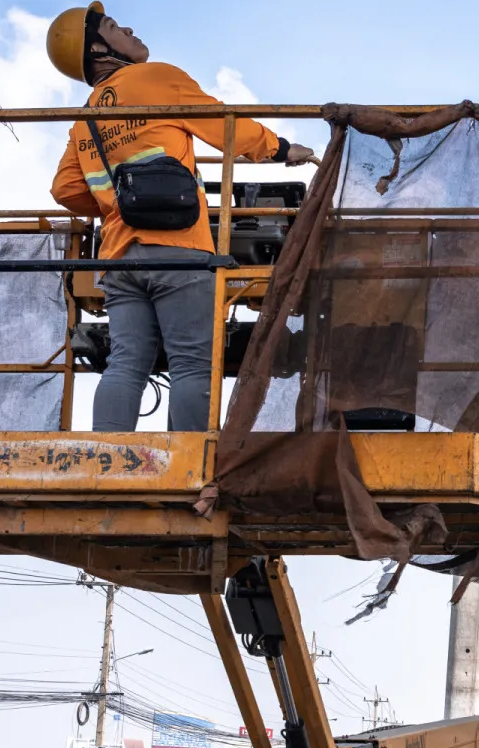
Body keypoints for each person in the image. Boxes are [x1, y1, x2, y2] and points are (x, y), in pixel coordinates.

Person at [46, 4, 319, 433]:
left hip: (120, 257)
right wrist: (282, 149)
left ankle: (107, 456)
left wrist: (116, 206)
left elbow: (65, 189)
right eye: (114, 27)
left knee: (126, 363)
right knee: (192, 362)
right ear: (97, 49)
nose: (129, 29)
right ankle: (191, 462)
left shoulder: (86, 117)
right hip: (180, 249)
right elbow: (225, 126)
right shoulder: (155, 77)